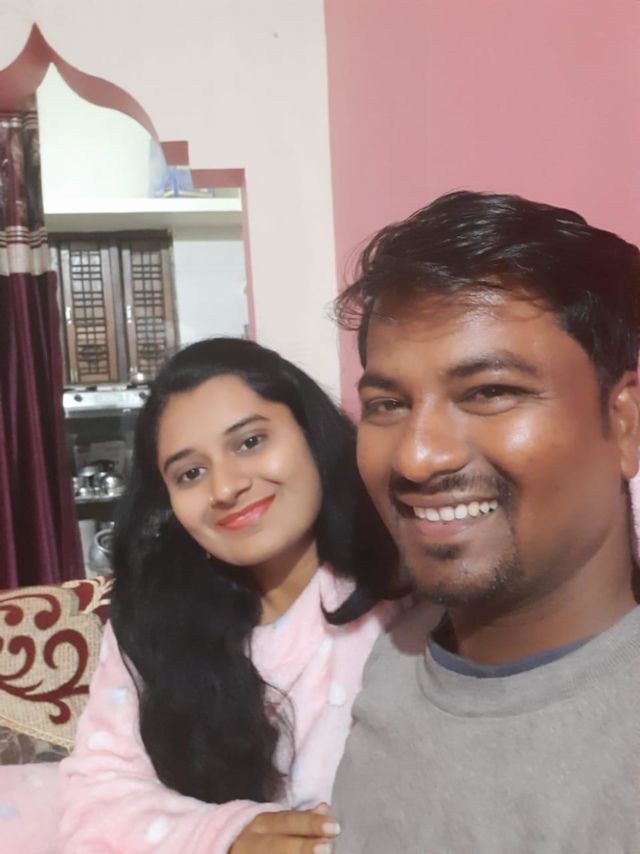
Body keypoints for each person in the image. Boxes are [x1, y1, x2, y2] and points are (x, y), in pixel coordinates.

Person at [331, 190, 640, 852]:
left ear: (624, 422)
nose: (416, 457)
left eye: (490, 392)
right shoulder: (388, 653)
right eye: (387, 404)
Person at [55, 337, 397, 853]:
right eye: (190, 473)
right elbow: (95, 798)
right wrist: (222, 837)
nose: (225, 488)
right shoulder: (152, 623)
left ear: (311, 434)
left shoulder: (406, 594)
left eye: (249, 442)